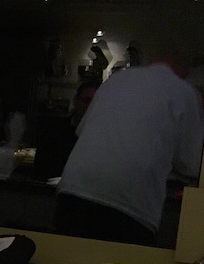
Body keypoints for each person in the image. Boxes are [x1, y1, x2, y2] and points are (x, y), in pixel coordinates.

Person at [55, 58, 204, 245]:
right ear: (184, 72)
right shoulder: (185, 93)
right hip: (130, 204)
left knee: (65, 260)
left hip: (74, 190)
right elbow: (191, 164)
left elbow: (82, 130)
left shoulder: (117, 80)